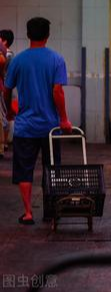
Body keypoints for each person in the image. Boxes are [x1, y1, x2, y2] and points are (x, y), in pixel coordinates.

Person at [3, 17, 72, 225]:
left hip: (25, 127)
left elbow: (7, 89)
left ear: (28, 34)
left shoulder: (18, 60)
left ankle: (28, 213)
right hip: (50, 127)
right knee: (52, 168)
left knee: (24, 169)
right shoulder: (56, 59)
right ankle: (50, 211)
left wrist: (9, 112)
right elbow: (58, 92)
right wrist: (64, 118)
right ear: (48, 36)